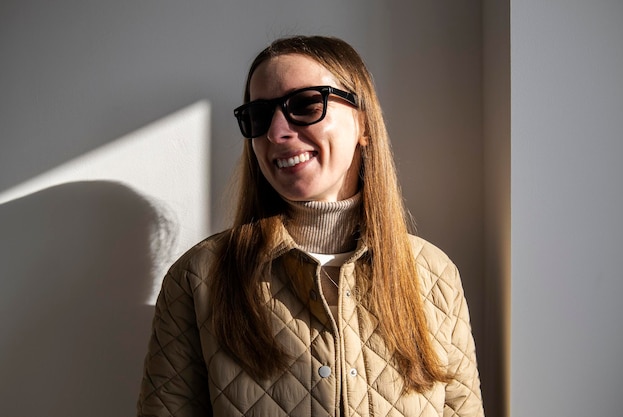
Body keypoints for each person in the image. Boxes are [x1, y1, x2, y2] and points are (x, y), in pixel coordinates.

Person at [137, 35, 484, 417]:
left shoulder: (434, 276)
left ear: (363, 123)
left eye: (304, 104)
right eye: (259, 116)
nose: (276, 132)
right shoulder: (199, 277)